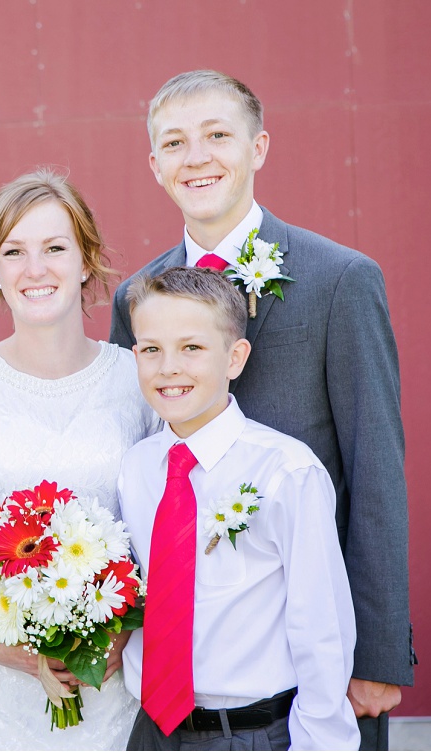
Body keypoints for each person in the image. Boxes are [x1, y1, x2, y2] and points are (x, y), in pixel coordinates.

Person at [109, 70, 412, 750]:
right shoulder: (134, 299)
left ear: (259, 147)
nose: (198, 157)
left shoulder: (340, 279)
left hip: (311, 661)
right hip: (182, 680)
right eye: (175, 143)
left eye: (218, 135)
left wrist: (379, 653)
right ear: (155, 164)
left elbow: (376, 470)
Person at [0, 169, 159, 750]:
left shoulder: (135, 378)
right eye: (13, 252)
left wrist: (118, 639)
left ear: (86, 259)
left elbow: (160, 532)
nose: (35, 268)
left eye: (54, 248)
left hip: (110, 677)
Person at [117, 266, 359, 750]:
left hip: (248, 732)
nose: (169, 367)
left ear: (235, 357)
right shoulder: (137, 467)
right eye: (151, 350)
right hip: (150, 732)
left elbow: (322, 631)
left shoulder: (286, 473)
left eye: (192, 348)